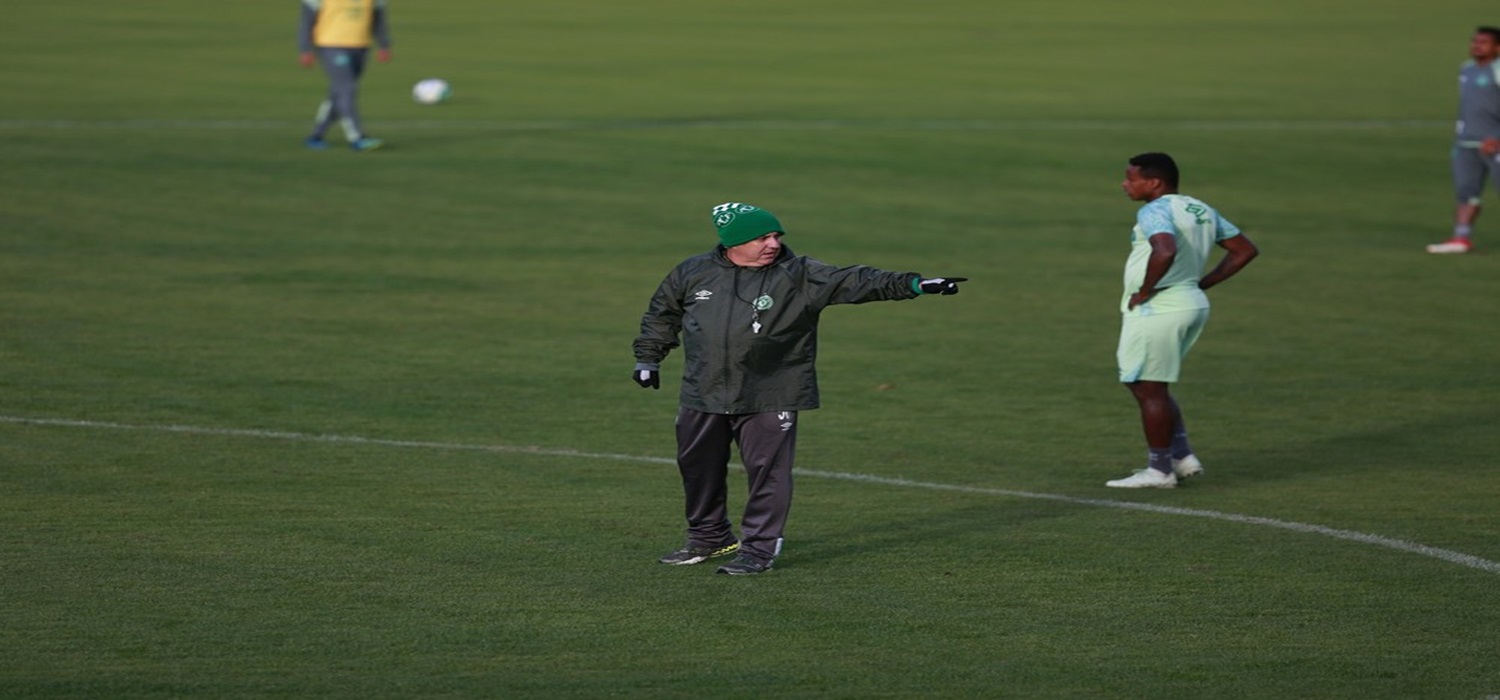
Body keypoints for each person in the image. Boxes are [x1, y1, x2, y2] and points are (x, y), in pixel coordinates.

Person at [632, 202, 966, 574]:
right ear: (734, 242)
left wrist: (915, 284)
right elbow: (662, 313)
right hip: (703, 391)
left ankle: (758, 551)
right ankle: (709, 538)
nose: (773, 243)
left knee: (768, 475)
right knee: (698, 468)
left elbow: (857, 280)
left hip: (772, 392)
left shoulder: (800, 274)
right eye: (762, 237)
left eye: (776, 236)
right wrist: (648, 358)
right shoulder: (693, 272)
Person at [1106, 153, 1259, 489]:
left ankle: (1160, 471)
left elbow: (1165, 249)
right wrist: (1200, 284)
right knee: (1150, 384)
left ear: (1154, 182)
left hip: (1160, 308)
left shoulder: (1154, 210)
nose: (1125, 184)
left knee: (1147, 386)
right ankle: (1181, 455)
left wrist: (1145, 291)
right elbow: (1244, 250)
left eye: (1131, 178)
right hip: (1189, 302)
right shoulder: (1198, 208)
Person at [1430, 26, 1500, 254]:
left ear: (1497, 47)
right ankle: (1461, 239)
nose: (1476, 46)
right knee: (1466, 192)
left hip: (1494, 144)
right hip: (1467, 142)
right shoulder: (1466, 69)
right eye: (1474, 41)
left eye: (1483, 42)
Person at [298, 0, 391, 152]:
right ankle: (357, 137)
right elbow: (307, 19)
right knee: (347, 89)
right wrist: (305, 49)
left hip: (361, 46)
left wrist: (384, 44)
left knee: (338, 94)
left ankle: (316, 135)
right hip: (330, 44)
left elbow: (378, 17)